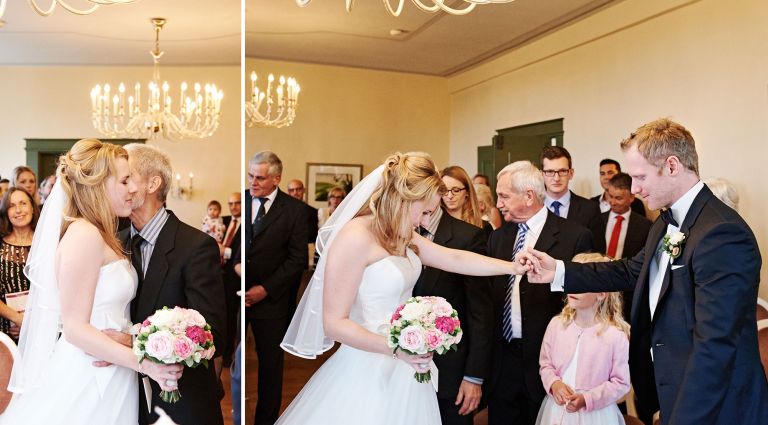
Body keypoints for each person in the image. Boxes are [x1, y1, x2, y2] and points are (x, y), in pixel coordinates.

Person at [522, 118, 768, 425]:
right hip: (672, 390)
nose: (634, 189)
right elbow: (631, 270)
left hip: (717, 406)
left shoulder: (722, 232)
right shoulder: (666, 221)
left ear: (673, 166)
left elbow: (715, 345)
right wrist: (558, 270)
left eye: (640, 177)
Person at [278, 152, 531, 425]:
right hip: (368, 365)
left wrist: (514, 267)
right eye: (424, 212)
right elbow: (334, 323)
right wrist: (396, 349)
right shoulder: (355, 237)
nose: (424, 221)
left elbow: (454, 258)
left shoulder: (402, 233)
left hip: (408, 365)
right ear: (403, 199)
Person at [0, 139, 182, 425]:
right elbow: (74, 328)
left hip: (113, 368)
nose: (133, 189)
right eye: (124, 181)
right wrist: (145, 363)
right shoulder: (83, 234)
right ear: (99, 185)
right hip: (89, 372)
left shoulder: (103, 231)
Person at [120, 143, 227, 425]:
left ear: (153, 183)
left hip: (179, 399)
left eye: (126, 177)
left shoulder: (195, 247)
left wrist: (149, 344)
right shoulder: (112, 243)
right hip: (120, 391)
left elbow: (213, 331)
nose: (119, 186)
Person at [486, 160, 594, 425]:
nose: (498, 204)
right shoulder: (497, 238)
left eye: (504, 196)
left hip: (552, 364)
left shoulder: (575, 236)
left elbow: (584, 302)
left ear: (529, 196)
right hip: (503, 362)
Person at [413, 187, 494, 424]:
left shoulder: (468, 237)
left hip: (451, 373)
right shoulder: (396, 233)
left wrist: (474, 377)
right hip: (401, 367)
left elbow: (481, 313)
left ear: (437, 193)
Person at [245, 151, 308, 425]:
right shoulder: (242, 201)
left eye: (259, 178)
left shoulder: (294, 211)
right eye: (250, 176)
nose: (253, 183)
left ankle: (266, 420)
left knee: (270, 367)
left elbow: (297, 260)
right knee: (228, 359)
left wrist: (265, 289)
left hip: (272, 301)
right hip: (237, 297)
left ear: (276, 179)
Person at [535, 253, 630, 425]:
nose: (573, 287)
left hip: (596, 416)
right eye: (571, 280)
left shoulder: (615, 336)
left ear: (601, 293)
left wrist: (587, 399)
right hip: (557, 411)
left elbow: (620, 383)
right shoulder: (556, 325)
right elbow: (546, 365)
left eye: (581, 282)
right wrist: (554, 384)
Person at [539, 146, 602, 246]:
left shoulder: (590, 209)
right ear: (541, 174)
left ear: (571, 173)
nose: (556, 178)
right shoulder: (533, 208)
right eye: (550, 172)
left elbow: (597, 253)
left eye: (562, 171)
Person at [0, 188, 39, 342]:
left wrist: (32, 321)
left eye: (23, 203)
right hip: (5, 333)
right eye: (11, 205)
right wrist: (18, 319)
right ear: (5, 212)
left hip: (41, 327)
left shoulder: (47, 244)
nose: (18, 210)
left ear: (32, 207)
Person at [440, 166, 488, 232]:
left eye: (456, 190)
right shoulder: (433, 223)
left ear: (467, 192)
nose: (450, 196)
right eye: (444, 190)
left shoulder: (483, 226)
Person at [287, 178, 319, 244]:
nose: (295, 193)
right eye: (292, 190)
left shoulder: (312, 211)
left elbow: (312, 235)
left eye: (298, 189)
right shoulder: (281, 210)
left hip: (303, 249)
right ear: (288, 192)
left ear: (304, 190)